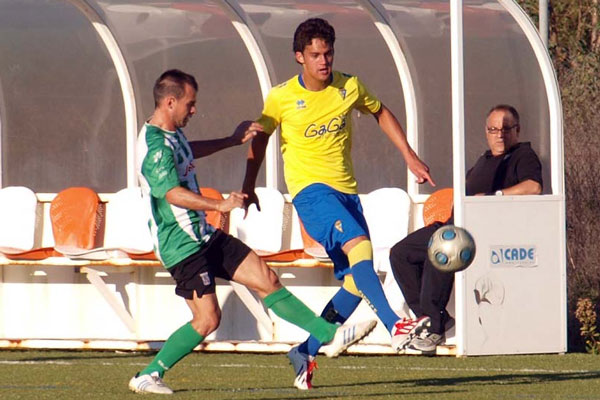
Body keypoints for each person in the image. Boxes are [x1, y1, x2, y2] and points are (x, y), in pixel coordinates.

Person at [128, 69, 376, 395]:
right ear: (170, 102)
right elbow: (171, 193)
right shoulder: (155, 146)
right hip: (181, 244)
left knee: (266, 278)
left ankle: (324, 336)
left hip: (202, 234)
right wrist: (219, 206)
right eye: (190, 104)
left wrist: (232, 140)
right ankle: (148, 375)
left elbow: (189, 151)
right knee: (207, 320)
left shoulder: (171, 135)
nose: (194, 110)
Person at [241, 18, 435, 390]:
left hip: (347, 194)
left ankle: (306, 350)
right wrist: (248, 185)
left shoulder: (349, 86)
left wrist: (408, 155)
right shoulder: (281, 97)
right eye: (314, 54)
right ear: (299, 57)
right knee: (361, 248)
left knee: (355, 284)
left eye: (328, 53)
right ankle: (396, 326)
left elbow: (380, 111)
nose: (323, 61)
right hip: (311, 194)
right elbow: (260, 140)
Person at [389, 104, 543, 354]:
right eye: (493, 129)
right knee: (400, 253)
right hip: (454, 225)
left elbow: (534, 186)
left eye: (505, 129)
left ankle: (433, 331)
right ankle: (430, 319)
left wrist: (495, 196)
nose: (499, 135)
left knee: (442, 250)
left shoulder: (522, 156)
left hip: (482, 231)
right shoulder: (483, 160)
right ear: (486, 131)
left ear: (517, 129)